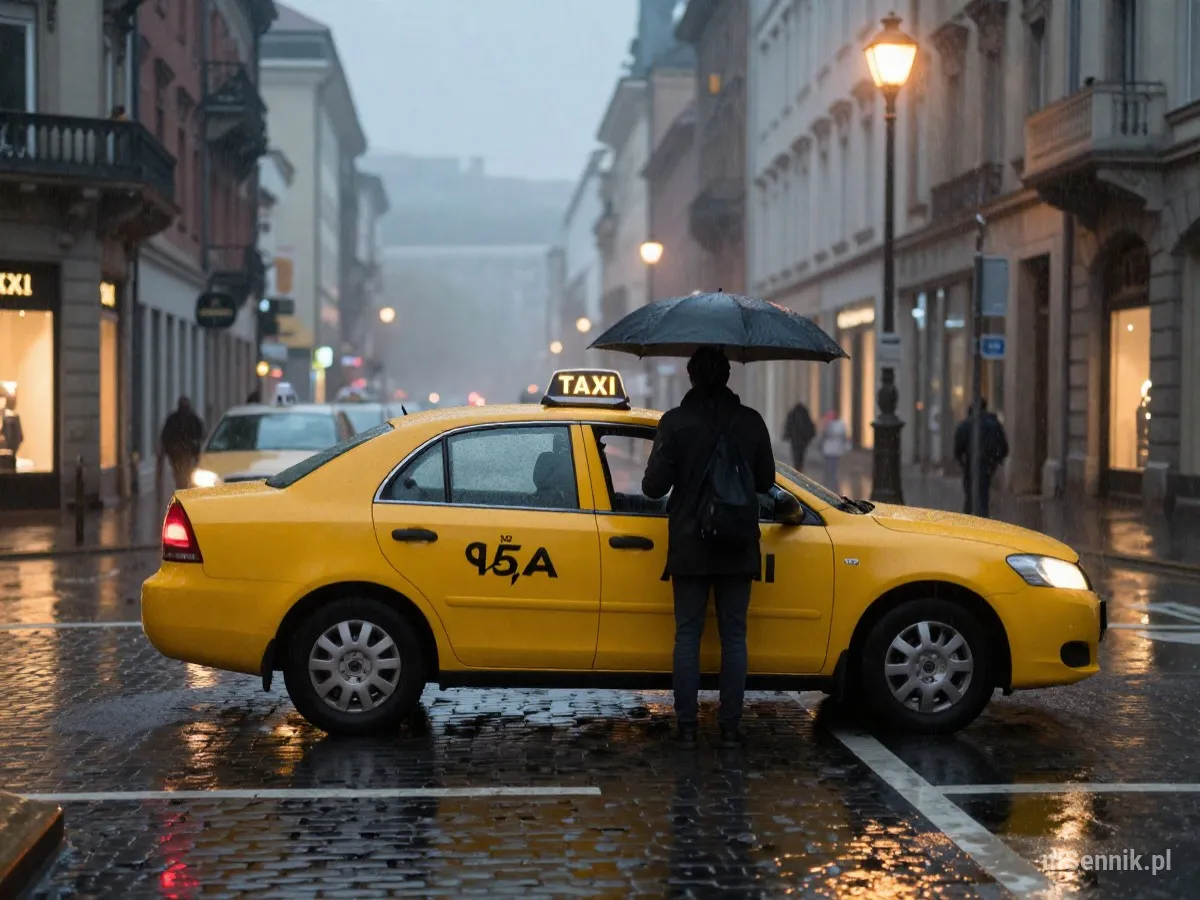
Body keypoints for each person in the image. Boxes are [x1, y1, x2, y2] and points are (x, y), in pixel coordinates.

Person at [642, 347, 775, 749]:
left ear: (691, 376)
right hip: (737, 543)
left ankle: (686, 728)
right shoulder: (751, 422)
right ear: (729, 376)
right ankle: (730, 728)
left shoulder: (675, 423)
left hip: (690, 542)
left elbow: (652, 488)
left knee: (688, 636)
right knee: (735, 637)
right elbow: (765, 480)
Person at [953, 398, 1009, 518]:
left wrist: (963, 463)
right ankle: (981, 519)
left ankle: (969, 519)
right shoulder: (993, 424)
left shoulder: (966, 425)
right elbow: (1003, 447)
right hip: (987, 465)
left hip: (971, 465)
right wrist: (996, 461)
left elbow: (957, 449)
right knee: (983, 495)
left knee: (970, 496)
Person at [157, 397, 205, 491]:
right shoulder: (190, 418)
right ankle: (183, 486)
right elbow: (166, 436)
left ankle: (183, 486)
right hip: (179, 452)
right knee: (181, 473)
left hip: (184, 452)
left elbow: (200, 434)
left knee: (183, 473)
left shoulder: (190, 419)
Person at [819, 410, 850, 491]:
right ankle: (831, 481)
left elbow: (843, 437)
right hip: (831, 450)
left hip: (832, 450)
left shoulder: (837, 425)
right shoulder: (835, 424)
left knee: (831, 466)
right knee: (830, 466)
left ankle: (832, 482)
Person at [783, 400, 816, 472]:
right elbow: (810, 426)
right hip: (803, 440)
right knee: (801, 454)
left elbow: (788, 425)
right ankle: (799, 466)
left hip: (795, 439)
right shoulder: (805, 414)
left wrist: (787, 435)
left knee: (796, 453)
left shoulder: (792, 414)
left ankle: (797, 466)